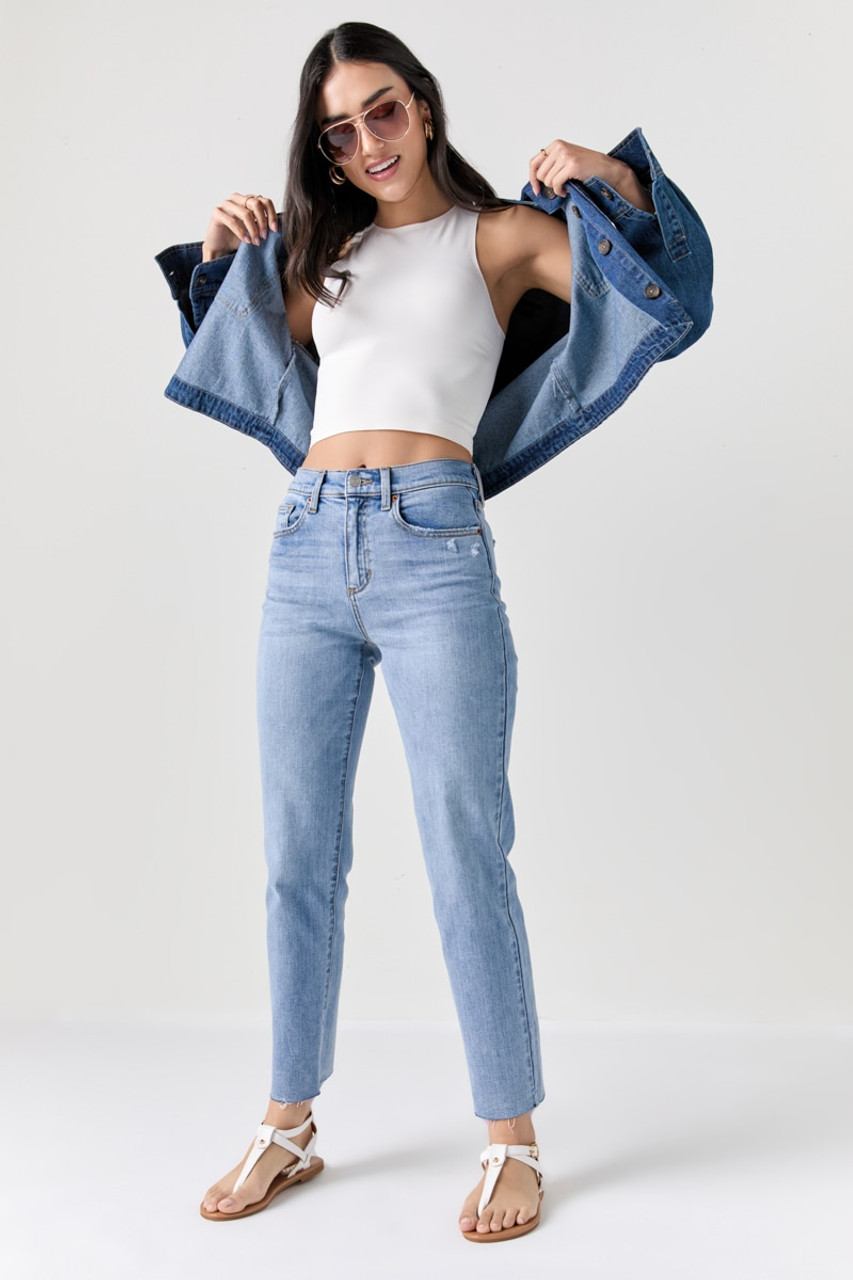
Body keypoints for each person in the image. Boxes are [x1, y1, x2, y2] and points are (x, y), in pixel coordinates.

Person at [155, 21, 712, 1242]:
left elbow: (663, 294)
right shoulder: (325, 259)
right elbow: (245, 359)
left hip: (432, 548)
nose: (368, 142)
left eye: (383, 110)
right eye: (339, 132)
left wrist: (611, 178)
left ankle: (511, 1137)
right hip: (305, 544)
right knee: (296, 852)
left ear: (422, 103)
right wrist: (225, 255)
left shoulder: (497, 237)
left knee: (466, 845)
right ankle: (287, 1121)